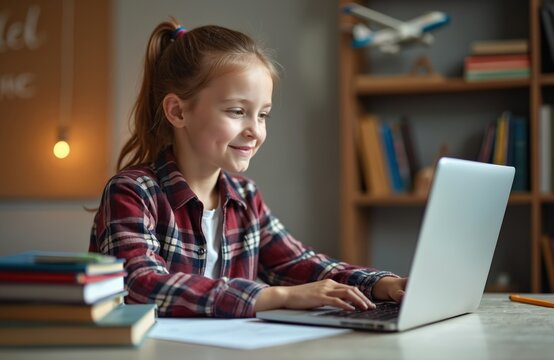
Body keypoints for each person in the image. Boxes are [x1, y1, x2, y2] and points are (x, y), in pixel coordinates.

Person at [90, 19, 407, 318]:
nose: (255, 130)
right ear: (177, 111)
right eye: (237, 111)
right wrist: (274, 296)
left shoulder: (245, 197)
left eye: (263, 115)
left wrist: (381, 284)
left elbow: (298, 263)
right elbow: (138, 284)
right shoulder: (133, 192)